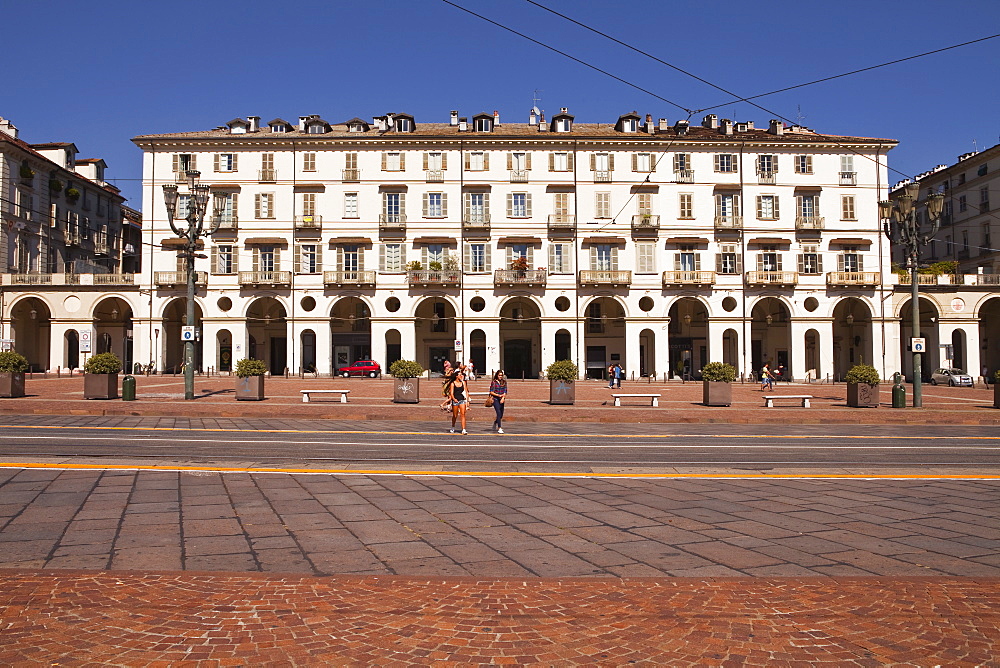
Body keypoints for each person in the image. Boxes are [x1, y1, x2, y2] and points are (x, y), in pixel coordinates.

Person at [449, 366, 469, 435]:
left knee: (462, 414)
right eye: (460, 375)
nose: (461, 376)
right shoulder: (453, 383)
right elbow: (451, 393)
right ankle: (453, 426)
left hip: (462, 399)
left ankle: (463, 429)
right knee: (455, 415)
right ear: (456, 376)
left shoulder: (463, 383)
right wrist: (454, 399)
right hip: (455, 400)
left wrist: (467, 400)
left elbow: (466, 391)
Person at [489, 369, 508, 434]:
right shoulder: (494, 382)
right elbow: (491, 391)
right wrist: (498, 395)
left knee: (501, 414)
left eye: (501, 375)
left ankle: (496, 422)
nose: (500, 377)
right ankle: (499, 428)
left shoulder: (504, 382)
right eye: (499, 375)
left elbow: (505, 391)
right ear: (497, 375)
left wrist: (503, 397)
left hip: (501, 399)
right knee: (498, 413)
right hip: (495, 399)